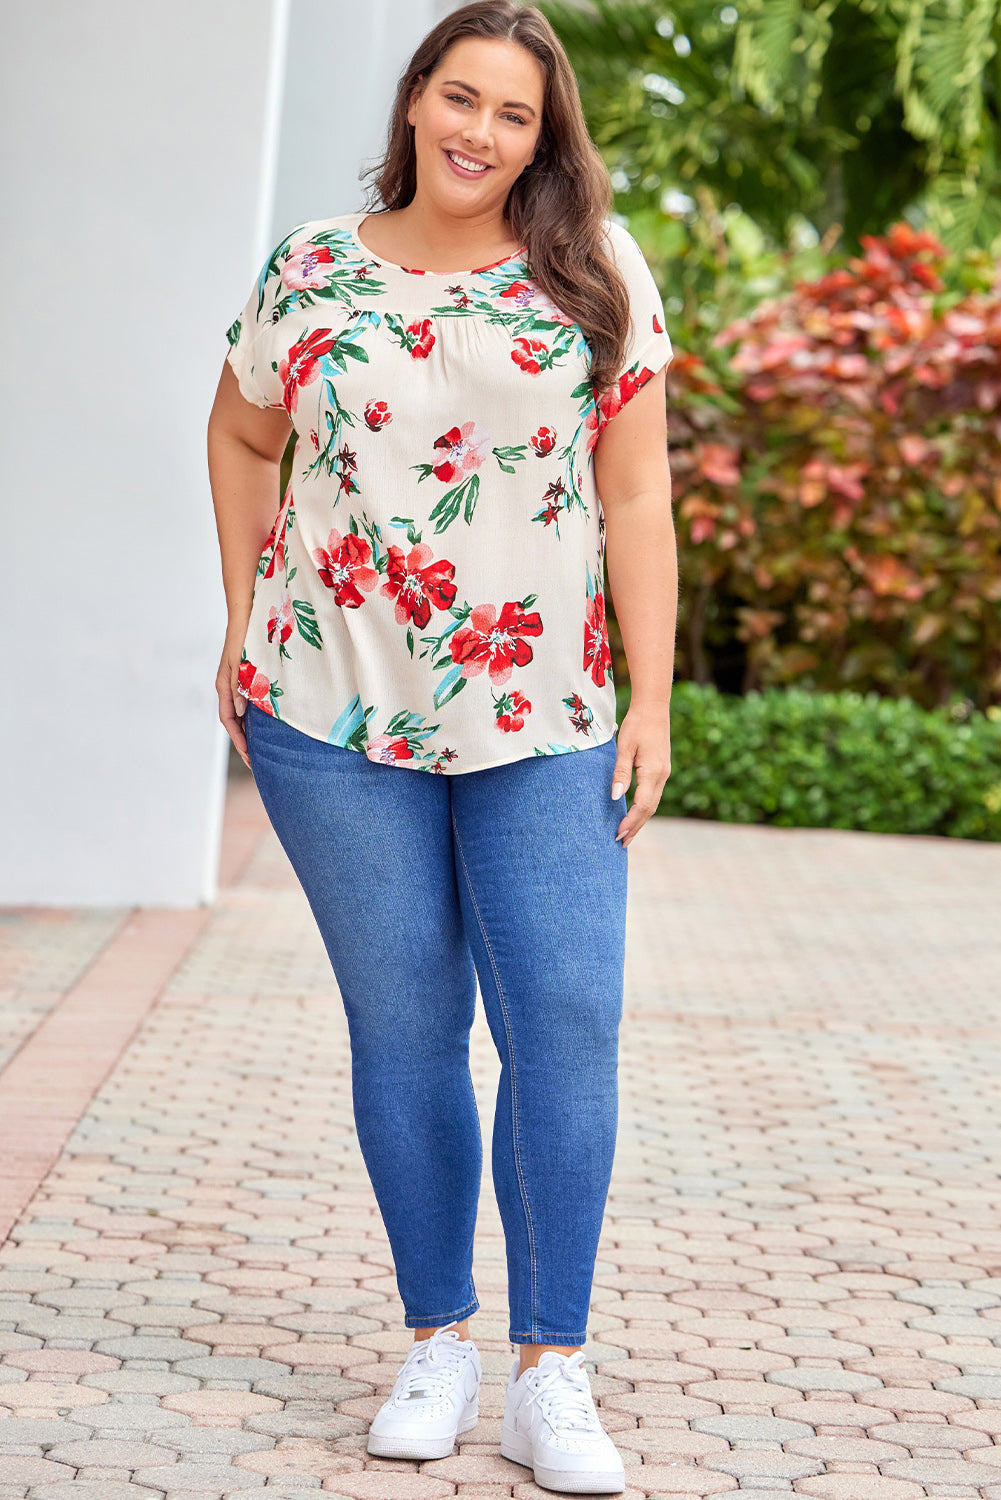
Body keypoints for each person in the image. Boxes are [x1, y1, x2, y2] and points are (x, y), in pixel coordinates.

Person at [206, 1, 676, 1491]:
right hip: (326, 712)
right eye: (457, 98)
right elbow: (238, 435)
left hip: (543, 714)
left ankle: (553, 1370)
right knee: (406, 1025)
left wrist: (652, 702)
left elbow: (636, 503)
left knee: (561, 1018)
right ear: (415, 104)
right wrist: (241, 613)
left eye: (514, 114)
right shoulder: (312, 267)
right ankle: (440, 1338)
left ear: (546, 137)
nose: (478, 132)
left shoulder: (589, 273)